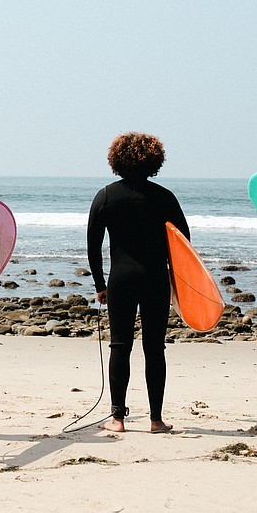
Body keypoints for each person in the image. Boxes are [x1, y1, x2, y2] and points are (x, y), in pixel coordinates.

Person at [87, 132, 189, 433]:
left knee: (120, 345)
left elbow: (93, 245)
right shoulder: (165, 197)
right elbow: (184, 244)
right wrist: (178, 283)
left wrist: (99, 285)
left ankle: (117, 418)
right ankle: (156, 419)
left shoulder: (106, 196)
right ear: (153, 161)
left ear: (116, 160)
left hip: (121, 278)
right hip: (155, 278)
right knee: (155, 348)